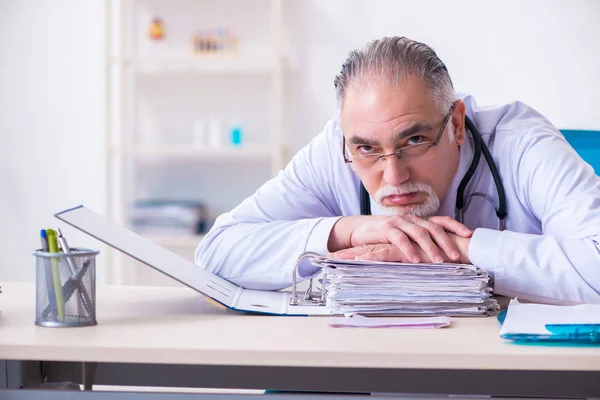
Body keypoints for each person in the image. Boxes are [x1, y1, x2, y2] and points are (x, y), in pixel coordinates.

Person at [195, 36, 600, 304]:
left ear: (456, 124)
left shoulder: (520, 142)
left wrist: (454, 250)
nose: (393, 177)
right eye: (368, 149)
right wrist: (348, 231)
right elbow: (217, 251)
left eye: (414, 141)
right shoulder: (334, 148)